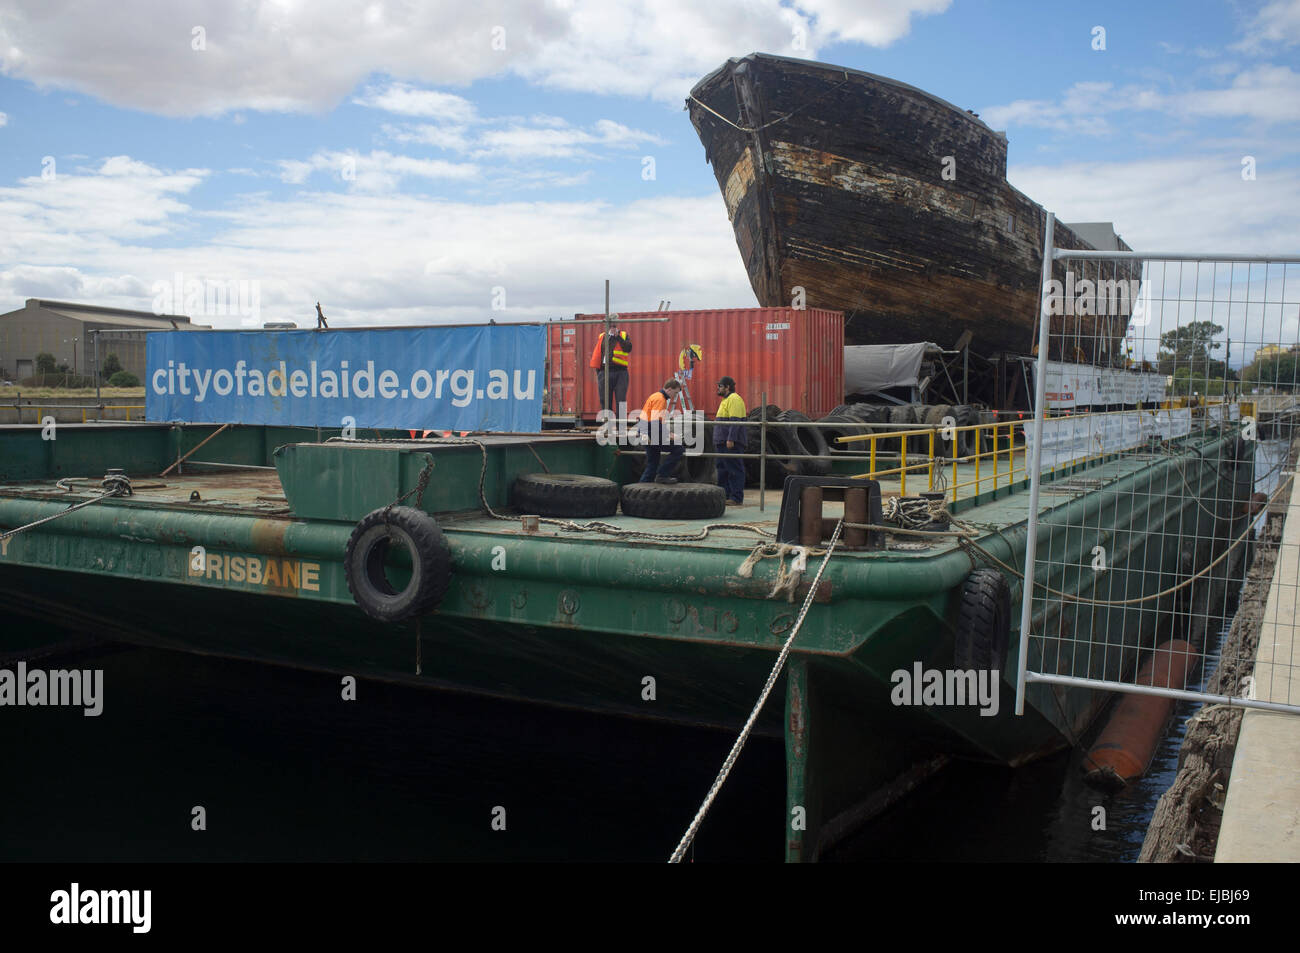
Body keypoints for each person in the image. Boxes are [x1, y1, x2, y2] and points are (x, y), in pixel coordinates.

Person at [638, 379, 684, 484]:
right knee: (678, 449)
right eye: (675, 392)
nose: (675, 395)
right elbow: (655, 421)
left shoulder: (655, 396)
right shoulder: (661, 399)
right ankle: (663, 475)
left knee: (653, 462)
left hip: (645, 430)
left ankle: (642, 488)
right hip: (651, 431)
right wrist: (669, 435)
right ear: (669, 389)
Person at [714, 376, 747, 504]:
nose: (718, 388)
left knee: (734, 469)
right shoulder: (725, 400)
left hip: (730, 443)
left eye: (720, 386)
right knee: (722, 469)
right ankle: (725, 495)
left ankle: (736, 497)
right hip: (722, 442)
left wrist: (731, 439)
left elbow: (736, 421)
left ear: (727, 387)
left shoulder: (734, 399)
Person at [590, 326, 632, 412]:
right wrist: (599, 373)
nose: (612, 328)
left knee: (621, 401)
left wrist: (618, 337)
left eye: (614, 326)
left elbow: (628, 348)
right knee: (605, 401)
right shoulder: (602, 336)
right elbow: (599, 354)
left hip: (620, 372)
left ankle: (621, 425)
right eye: (611, 326)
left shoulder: (623, 335)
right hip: (604, 371)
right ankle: (607, 425)